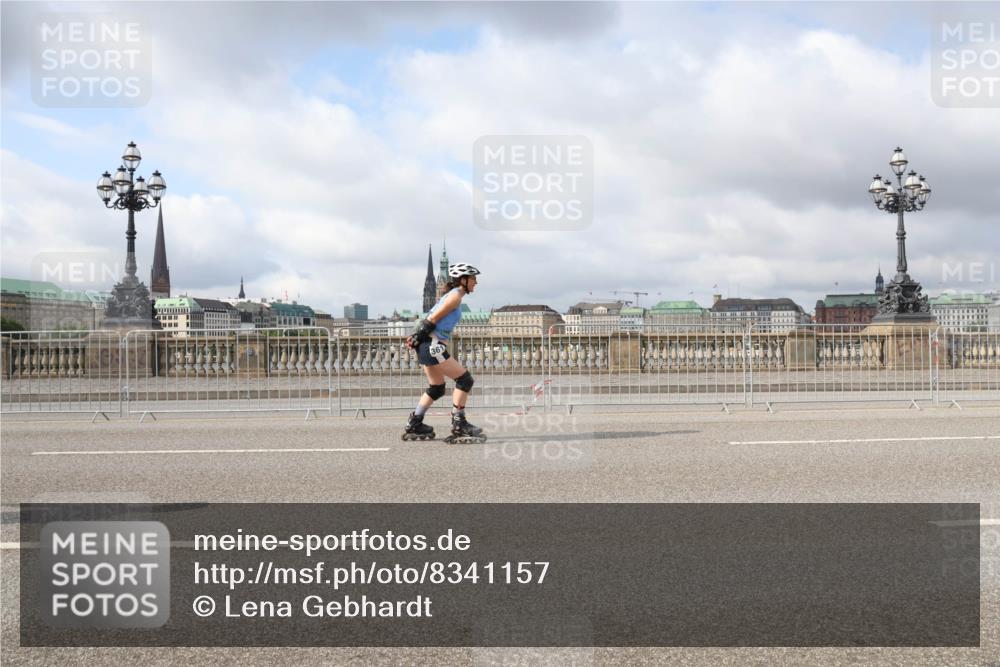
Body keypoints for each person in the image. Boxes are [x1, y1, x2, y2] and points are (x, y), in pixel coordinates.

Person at [402, 263, 487, 443]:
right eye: (473, 278)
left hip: (427, 345)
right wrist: (418, 336)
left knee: (437, 388)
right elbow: (431, 319)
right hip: (433, 345)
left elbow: (430, 319)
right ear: (463, 280)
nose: (476, 282)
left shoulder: (452, 295)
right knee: (465, 380)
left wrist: (416, 338)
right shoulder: (455, 297)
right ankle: (459, 423)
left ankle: (415, 423)